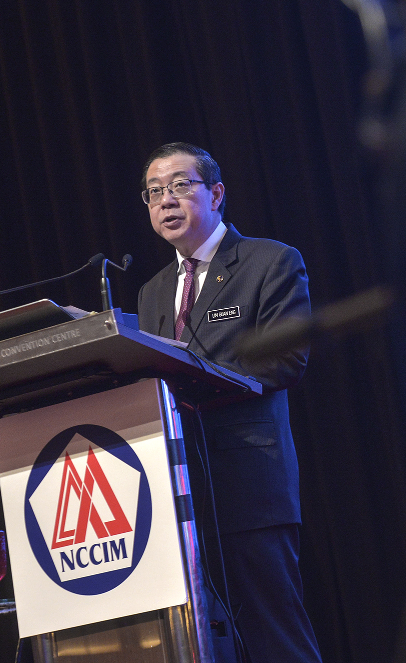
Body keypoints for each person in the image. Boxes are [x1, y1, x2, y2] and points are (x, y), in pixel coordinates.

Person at [136, 142, 322, 663]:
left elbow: (287, 361)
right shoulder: (151, 293)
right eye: (153, 192)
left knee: (273, 634)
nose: (165, 200)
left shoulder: (270, 261)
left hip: (248, 482)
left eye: (179, 185)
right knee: (205, 646)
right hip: (177, 493)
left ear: (216, 194)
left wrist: (198, 376)